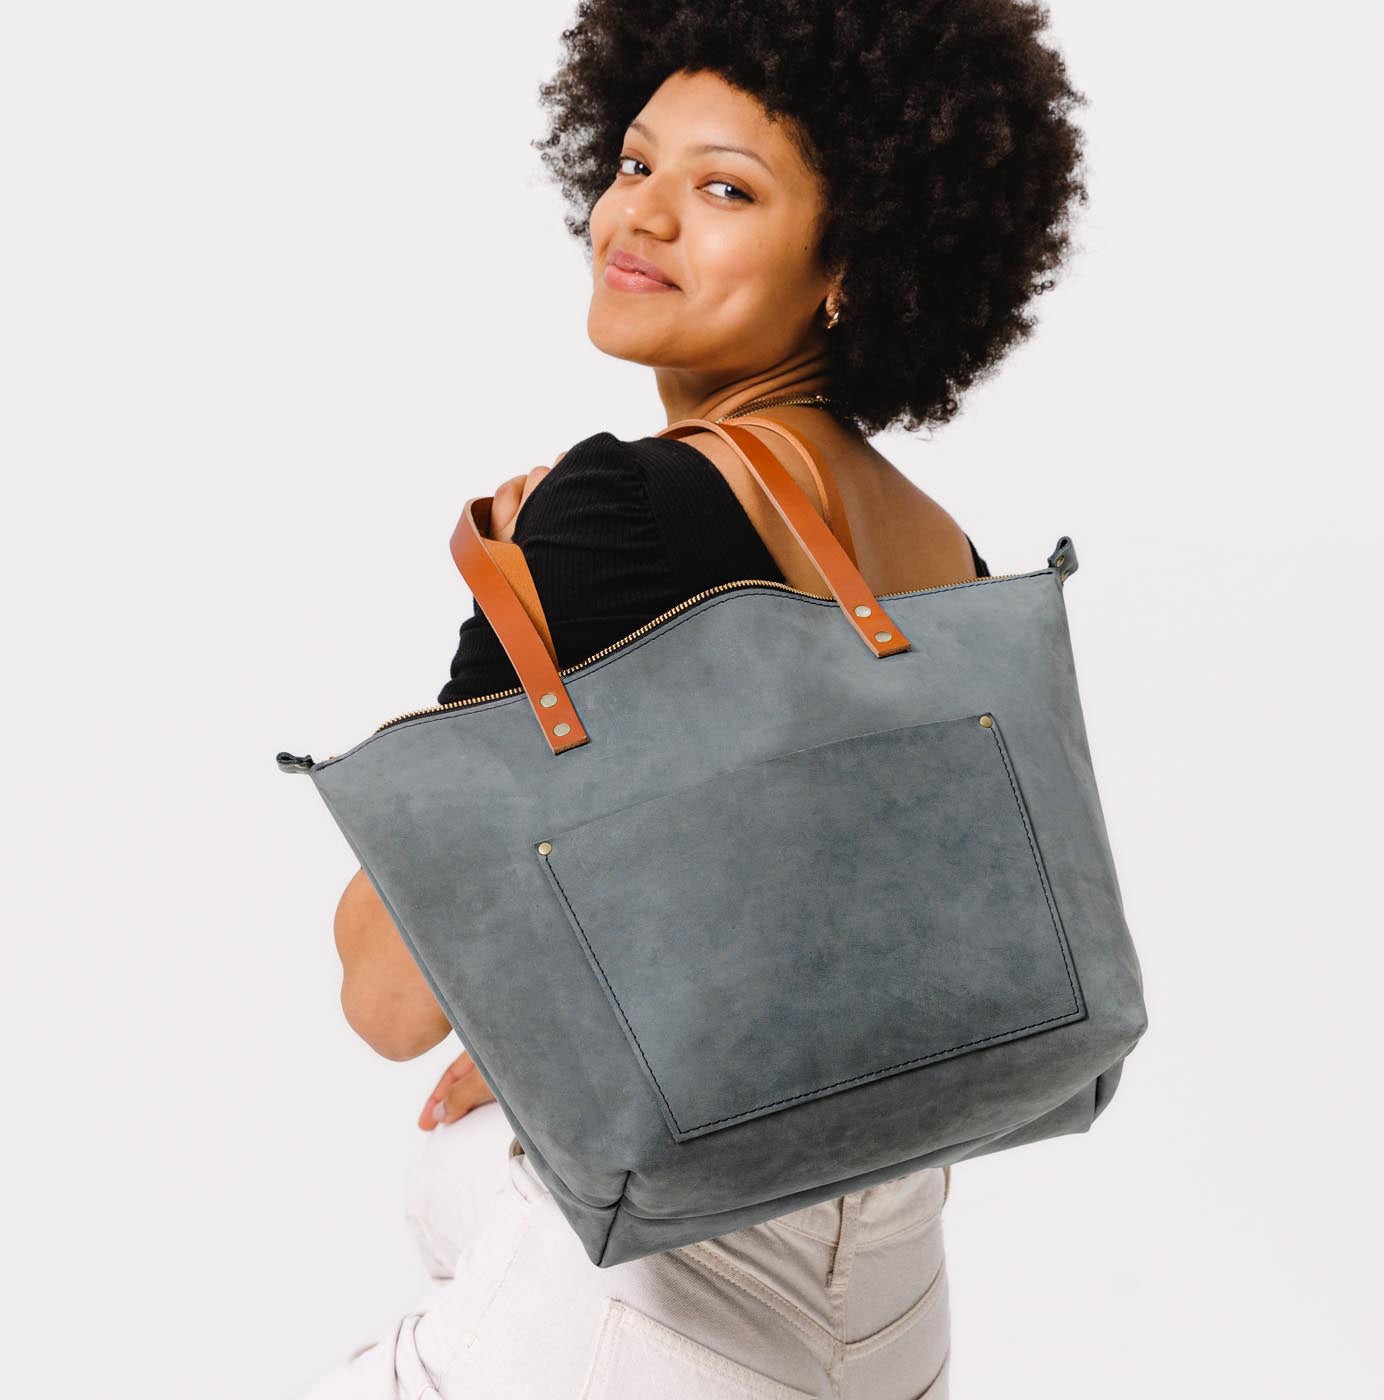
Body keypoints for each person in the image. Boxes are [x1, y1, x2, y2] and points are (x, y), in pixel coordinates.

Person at [303, 4, 1087, 1395]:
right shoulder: (946, 555)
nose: (642, 215)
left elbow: (388, 997)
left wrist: (518, 610)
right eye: (634, 162)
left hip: (643, 1310)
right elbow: (824, 956)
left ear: (851, 263)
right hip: (896, 1303)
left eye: (727, 190)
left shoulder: (617, 508)